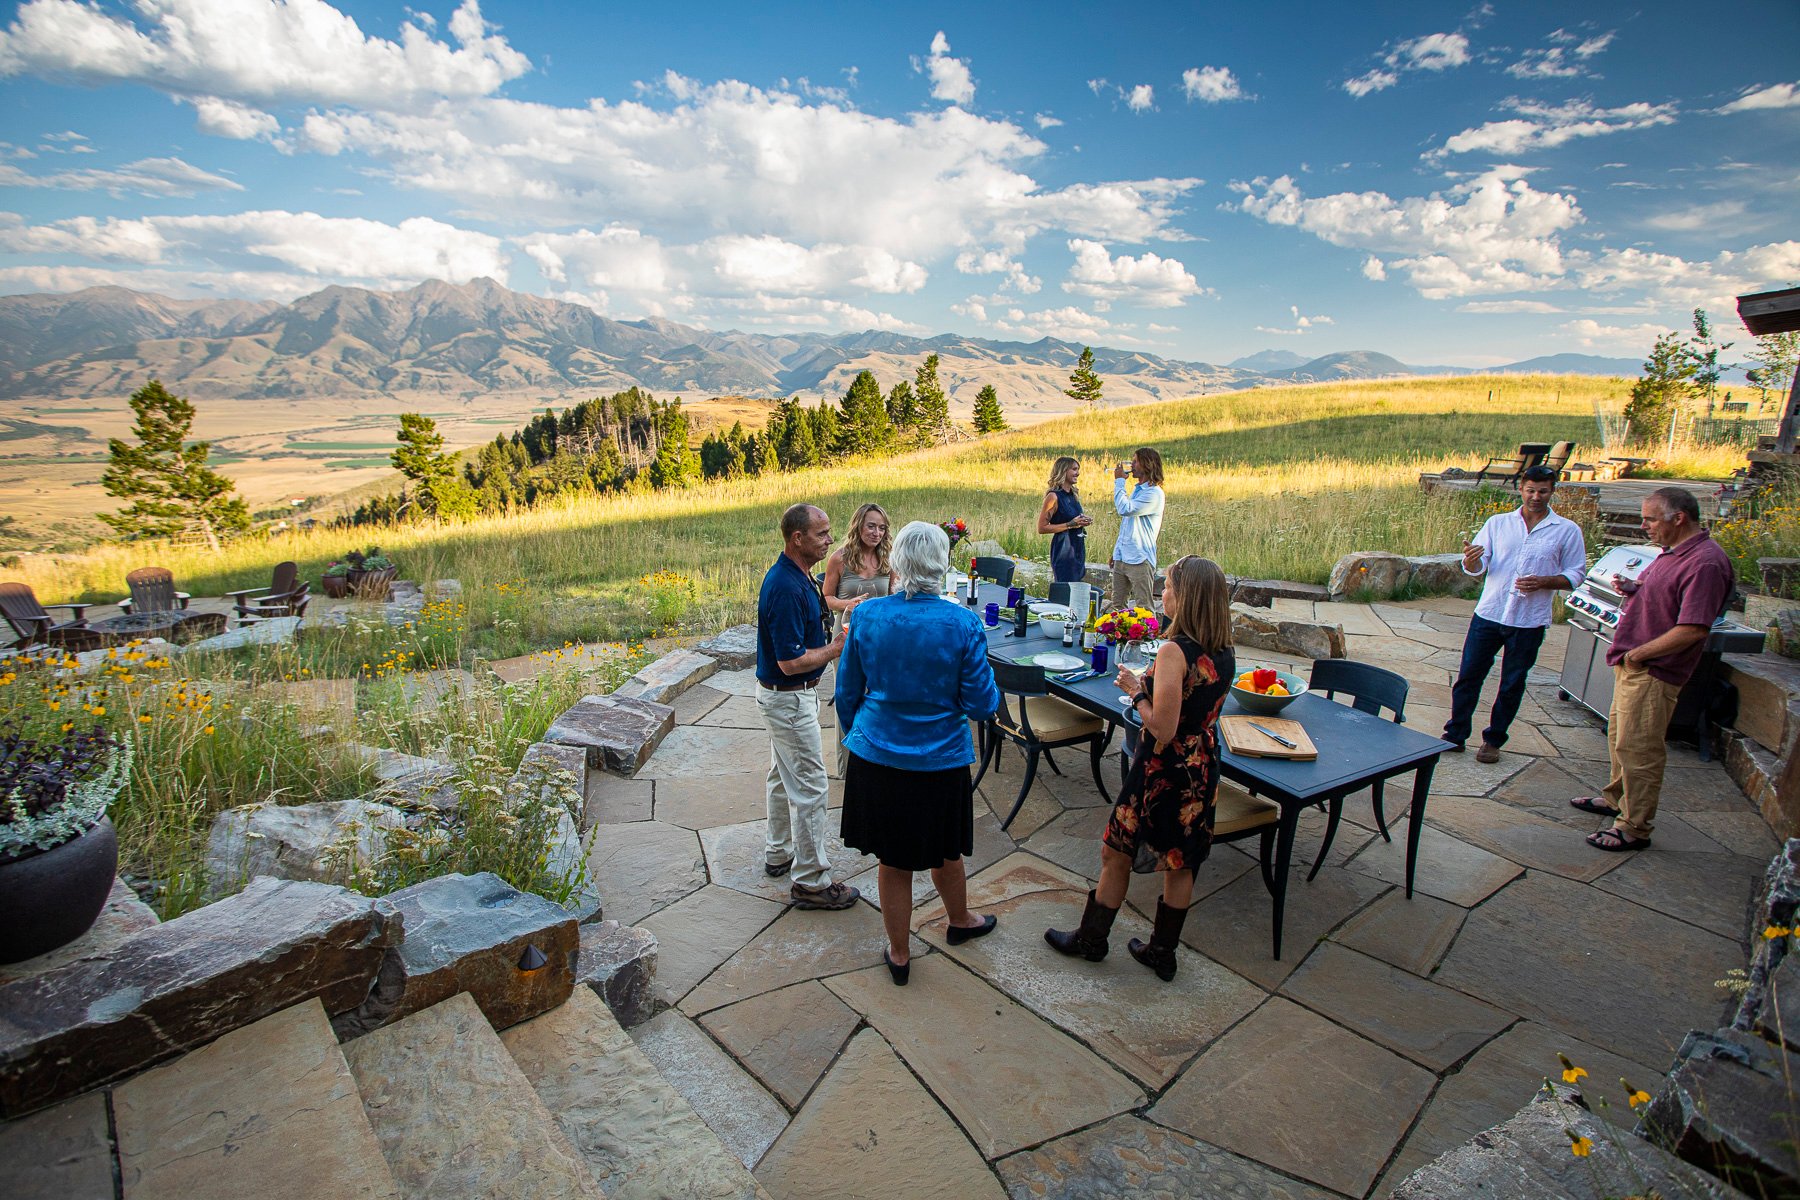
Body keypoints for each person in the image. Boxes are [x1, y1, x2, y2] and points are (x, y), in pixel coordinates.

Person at [1046, 554, 1234, 981]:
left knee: (1116, 853)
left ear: (1186, 597)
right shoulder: (1224, 649)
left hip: (1160, 772)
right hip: (1202, 768)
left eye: (1168, 586)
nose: (1161, 592)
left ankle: (1091, 940)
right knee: (1181, 862)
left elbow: (1163, 728)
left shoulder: (1173, 652)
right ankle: (1161, 952)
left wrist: (1135, 692)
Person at [837, 521, 1003, 985]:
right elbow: (982, 703)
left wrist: (864, 738)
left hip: (878, 758)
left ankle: (900, 951)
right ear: (942, 565)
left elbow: (847, 693)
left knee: (892, 861)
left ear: (896, 563)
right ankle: (960, 920)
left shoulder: (868, 617)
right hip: (940, 761)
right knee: (945, 850)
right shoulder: (963, 622)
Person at [1571, 487, 1734, 852]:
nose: (1643, 525)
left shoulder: (1705, 563)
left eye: (1650, 519)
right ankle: (1616, 798)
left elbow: (1693, 628)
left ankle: (1634, 826)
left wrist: (1639, 655)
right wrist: (1636, 589)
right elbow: (1668, 596)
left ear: (1679, 518)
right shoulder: (1673, 552)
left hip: (1654, 669)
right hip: (1634, 662)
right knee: (1619, 738)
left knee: (1639, 749)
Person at [1444, 465, 1589, 762]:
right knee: (1469, 675)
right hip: (1490, 612)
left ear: (1553, 491)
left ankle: (1493, 740)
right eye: (1531, 490)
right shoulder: (1498, 523)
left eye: (1543, 491)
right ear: (1520, 489)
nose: (1536, 497)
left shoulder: (1566, 530)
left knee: (1512, 682)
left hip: (1528, 619)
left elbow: (1576, 573)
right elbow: (1478, 566)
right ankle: (1455, 734)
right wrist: (1470, 561)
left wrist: (1546, 581)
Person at [756, 503, 861, 909]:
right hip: (788, 697)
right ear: (797, 538)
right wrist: (835, 648)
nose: (830, 539)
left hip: (783, 698)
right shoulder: (784, 587)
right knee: (811, 787)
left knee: (782, 778)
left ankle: (779, 852)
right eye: (822, 534)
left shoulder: (798, 576)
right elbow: (790, 661)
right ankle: (812, 881)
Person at [822, 502, 897, 631]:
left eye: (882, 528)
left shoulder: (889, 559)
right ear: (858, 526)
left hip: (878, 630)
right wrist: (847, 604)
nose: (877, 533)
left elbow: (895, 598)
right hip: (846, 629)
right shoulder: (839, 558)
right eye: (871, 526)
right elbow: (825, 599)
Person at [1109, 448, 1165, 612]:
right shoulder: (1137, 490)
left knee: (1144, 607)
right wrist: (1116, 551)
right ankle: (1120, 636)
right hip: (1123, 557)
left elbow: (1124, 509)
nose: (1131, 465)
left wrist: (1119, 482)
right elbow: (1128, 525)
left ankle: (1147, 638)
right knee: (1118, 604)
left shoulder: (1154, 494)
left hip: (1139, 558)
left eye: (1135, 461)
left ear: (1147, 464)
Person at [1038, 456, 1094, 584]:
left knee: (1076, 586)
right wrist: (1070, 524)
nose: (1078, 473)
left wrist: (1083, 520)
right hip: (1064, 548)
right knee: (1066, 588)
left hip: (1077, 546)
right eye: (1074, 469)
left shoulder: (1073, 495)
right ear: (1063, 471)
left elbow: (1073, 518)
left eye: (1078, 469)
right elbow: (1042, 528)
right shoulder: (1053, 496)